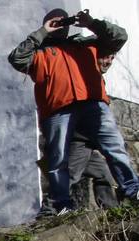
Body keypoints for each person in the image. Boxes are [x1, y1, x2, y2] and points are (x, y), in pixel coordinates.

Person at [9, 9, 138, 216]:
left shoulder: (86, 44)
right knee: (58, 160)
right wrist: (42, 32)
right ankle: (61, 206)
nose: (60, 25)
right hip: (58, 110)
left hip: (92, 104)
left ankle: (132, 192)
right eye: (54, 22)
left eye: (63, 21)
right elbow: (16, 58)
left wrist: (91, 23)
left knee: (115, 148)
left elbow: (119, 37)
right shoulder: (39, 53)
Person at [67, 52, 120, 211]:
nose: (109, 62)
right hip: (78, 139)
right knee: (70, 175)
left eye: (112, 58)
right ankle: (49, 211)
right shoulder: (83, 76)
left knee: (103, 173)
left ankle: (111, 211)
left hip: (88, 140)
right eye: (106, 57)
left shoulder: (97, 79)